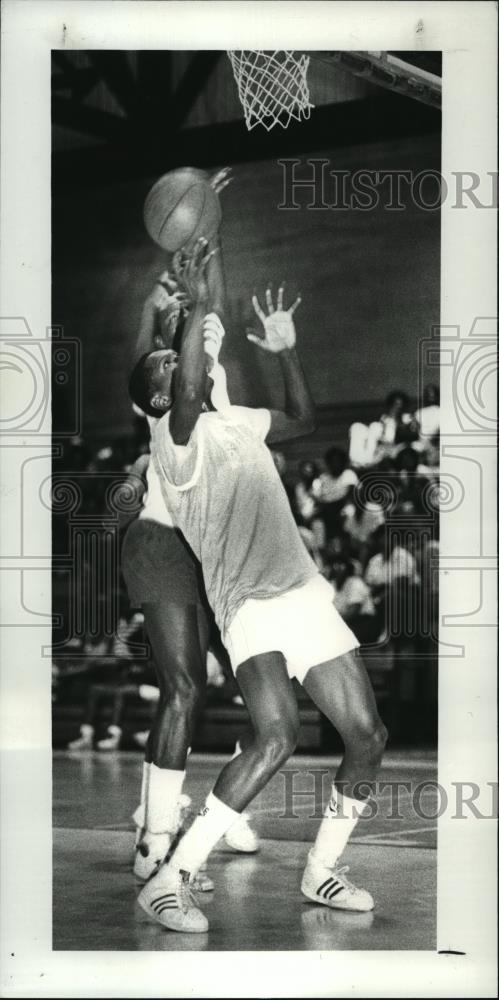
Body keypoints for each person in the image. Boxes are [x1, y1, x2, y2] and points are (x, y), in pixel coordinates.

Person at [129, 240, 387, 933]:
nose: (178, 366)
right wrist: (198, 306)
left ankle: (321, 869)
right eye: (166, 363)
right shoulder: (173, 437)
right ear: (159, 393)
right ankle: (170, 877)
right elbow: (186, 386)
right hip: (247, 605)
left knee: (365, 735)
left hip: (301, 592)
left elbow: (301, 422)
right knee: (277, 736)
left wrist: (283, 351)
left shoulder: (235, 419)